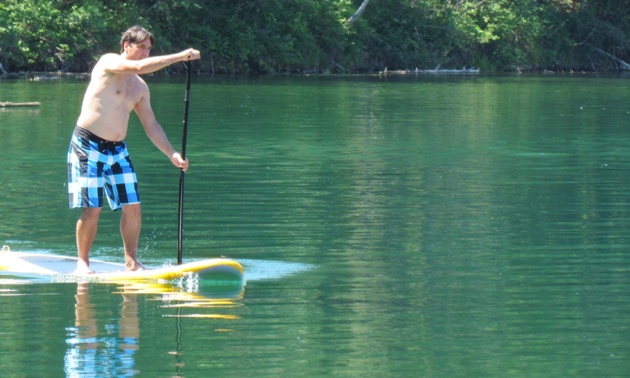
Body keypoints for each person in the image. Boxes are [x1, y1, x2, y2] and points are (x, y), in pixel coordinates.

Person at [67, 26, 200, 273]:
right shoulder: (108, 62)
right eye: (142, 47)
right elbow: (139, 66)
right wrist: (181, 56)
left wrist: (172, 153)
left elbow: (152, 125)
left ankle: (132, 262)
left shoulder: (140, 88)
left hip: (117, 150)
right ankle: (82, 263)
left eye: (149, 49)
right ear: (126, 45)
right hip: (87, 145)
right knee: (93, 208)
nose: (146, 53)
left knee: (133, 206)